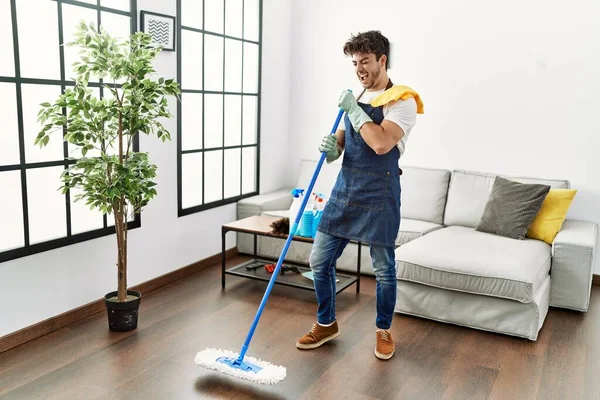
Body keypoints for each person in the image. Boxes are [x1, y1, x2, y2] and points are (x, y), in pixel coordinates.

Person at [296, 30, 419, 360]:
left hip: (381, 193)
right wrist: (332, 148)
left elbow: (380, 143)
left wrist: (353, 109)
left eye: (365, 61)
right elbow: (343, 141)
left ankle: (383, 330)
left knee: (383, 269)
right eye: (354, 62)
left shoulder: (401, 101)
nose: (359, 69)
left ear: (382, 60)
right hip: (346, 190)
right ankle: (326, 323)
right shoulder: (357, 95)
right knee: (319, 261)